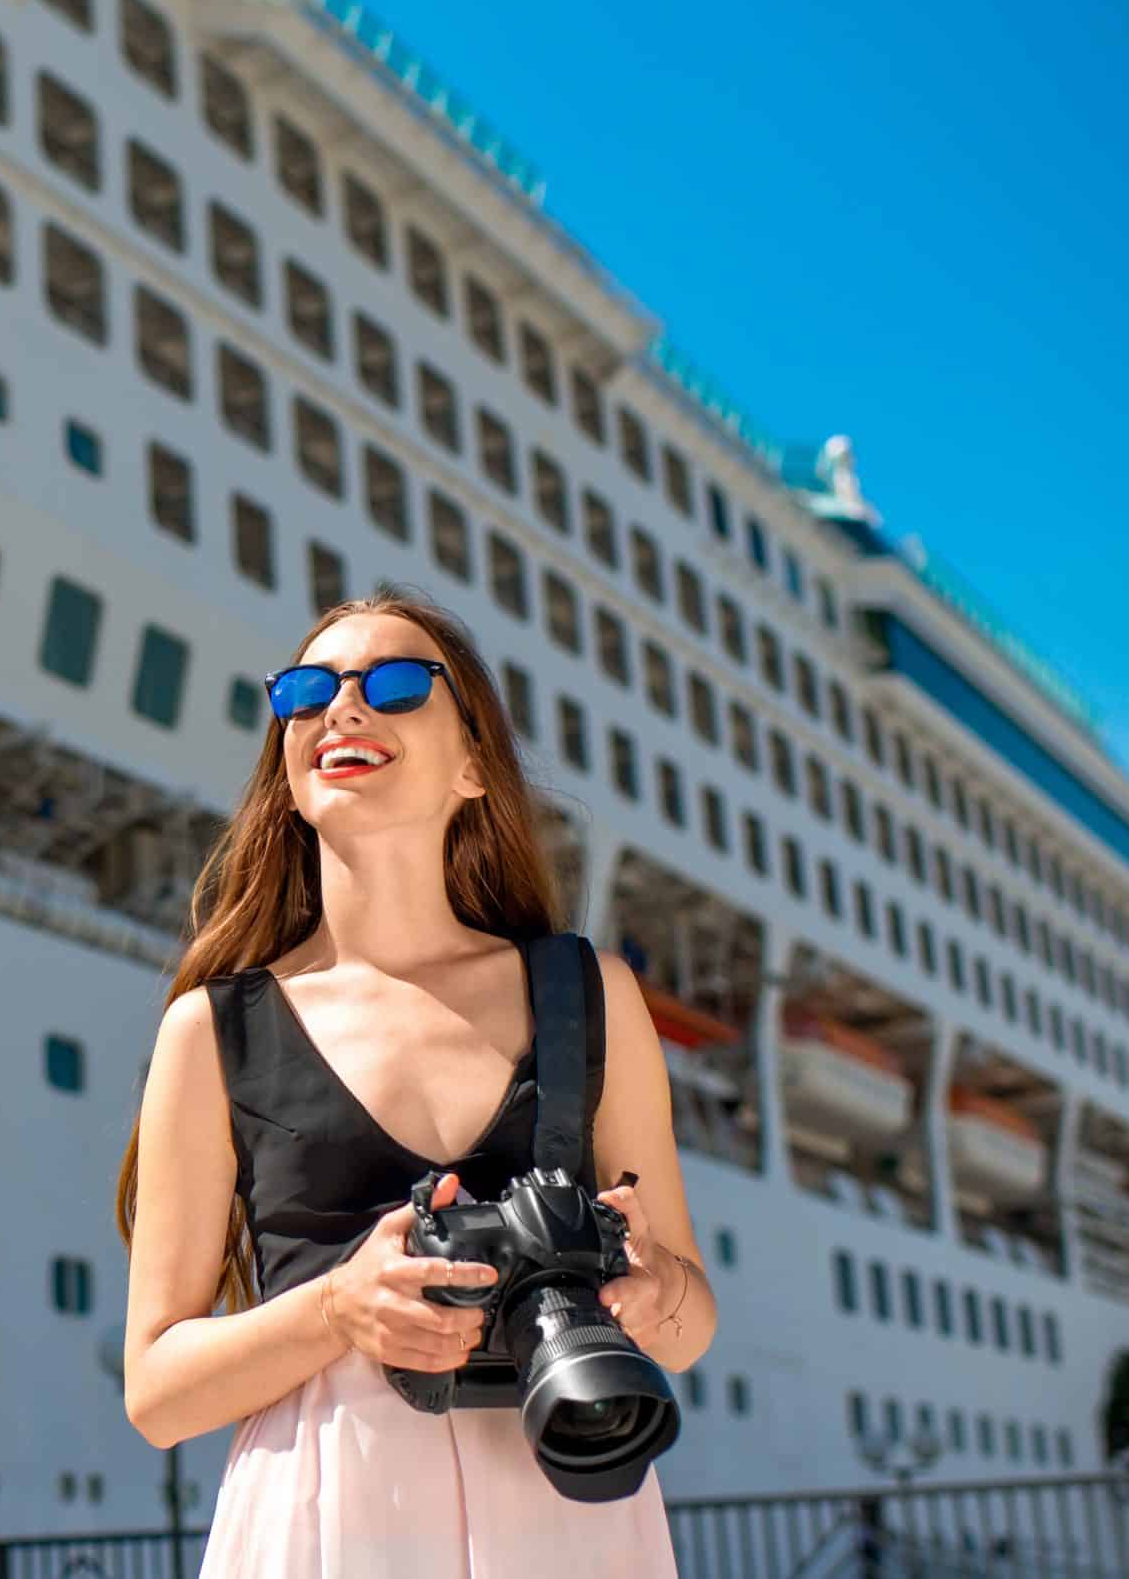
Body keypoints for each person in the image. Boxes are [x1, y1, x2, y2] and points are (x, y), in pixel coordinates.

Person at [115, 583, 717, 1575]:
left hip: (568, 1495)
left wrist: (653, 1291)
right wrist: (338, 1307)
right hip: (323, 1514)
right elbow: (155, 1392)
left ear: (474, 765)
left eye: (395, 684)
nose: (342, 707)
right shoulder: (215, 1030)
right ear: (287, 772)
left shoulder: (589, 994)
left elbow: (689, 1326)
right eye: (307, 692)